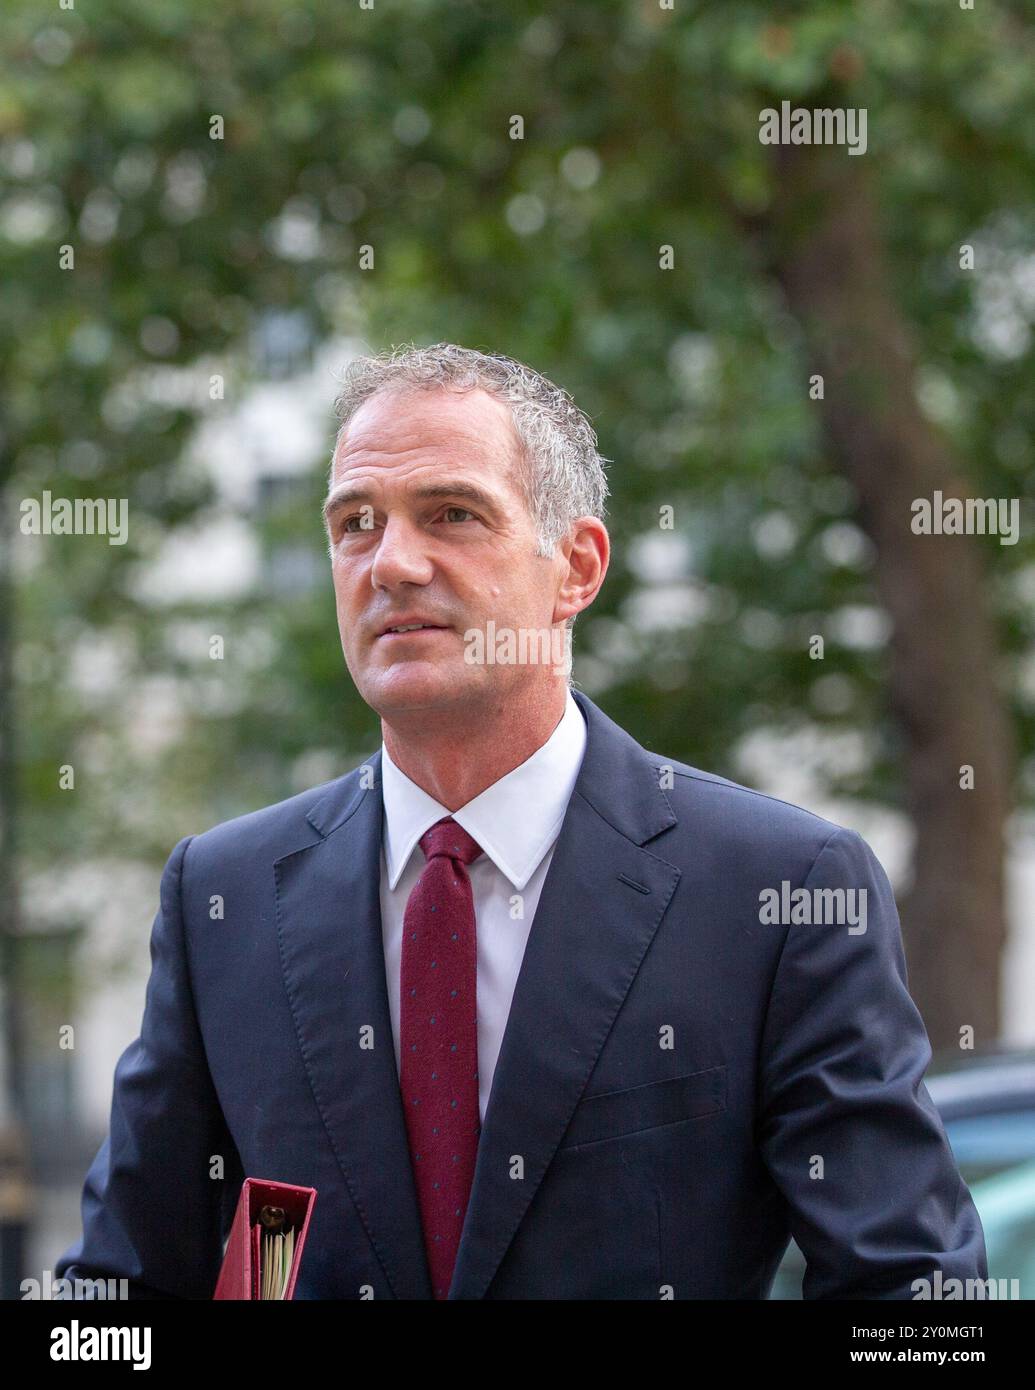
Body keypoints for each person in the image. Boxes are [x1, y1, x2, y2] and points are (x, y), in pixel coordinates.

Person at [56, 342, 986, 1299]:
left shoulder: (778, 889)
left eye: (451, 515)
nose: (393, 563)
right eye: (355, 524)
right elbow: (117, 1293)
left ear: (574, 567)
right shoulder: (224, 896)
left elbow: (911, 1298)